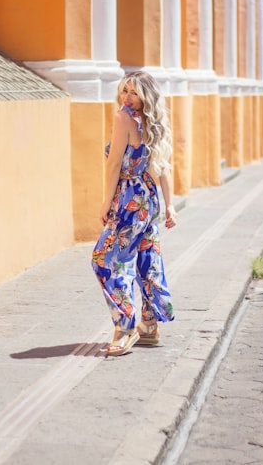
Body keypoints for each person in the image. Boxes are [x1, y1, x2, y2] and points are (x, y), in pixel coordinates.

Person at [91, 70, 176, 356]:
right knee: (147, 259)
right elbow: (164, 167)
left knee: (105, 259)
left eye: (133, 93)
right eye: (124, 90)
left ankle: (125, 329)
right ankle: (149, 326)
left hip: (129, 201)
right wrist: (169, 204)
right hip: (148, 200)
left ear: (145, 97)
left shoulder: (123, 118)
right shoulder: (153, 123)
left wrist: (106, 202)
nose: (126, 97)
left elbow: (114, 163)